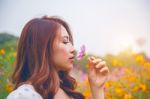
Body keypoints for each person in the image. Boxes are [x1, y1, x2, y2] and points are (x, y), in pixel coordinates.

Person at [7, 16, 109, 99]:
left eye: (70, 42)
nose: (73, 49)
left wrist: (97, 89)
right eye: (65, 41)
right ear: (42, 47)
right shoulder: (24, 95)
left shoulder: (70, 95)